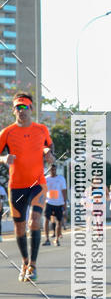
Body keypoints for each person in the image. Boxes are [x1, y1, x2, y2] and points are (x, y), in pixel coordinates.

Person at [0, 93, 54, 281]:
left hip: (37, 184)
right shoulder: (7, 132)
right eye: (18, 108)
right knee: (20, 228)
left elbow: (49, 148)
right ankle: (24, 261)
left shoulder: (41, 129)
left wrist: (48, 153)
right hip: (16, 186)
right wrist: (3, 158)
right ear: (14, 110)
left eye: (25, 107)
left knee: (35, 221)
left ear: (31, 109)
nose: (21, 111)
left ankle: (33, 265)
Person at [43, 163, 67, 246]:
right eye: (51, 169)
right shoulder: (46, 179)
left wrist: (64, 202)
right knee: (46, 220)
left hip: (59, 203)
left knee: (59, 222)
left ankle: (56, 239)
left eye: (54, 169)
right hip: (49, 202)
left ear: (56, 170)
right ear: (49, 170)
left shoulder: (61, 179)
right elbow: (43, 191)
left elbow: (64, 190)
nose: (52, 171)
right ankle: (47, 239)